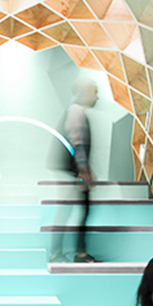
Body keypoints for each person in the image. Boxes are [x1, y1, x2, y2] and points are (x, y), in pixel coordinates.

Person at [59, 77, 98, 262]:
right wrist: (84, 169)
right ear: (84, 92)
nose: (97, 97)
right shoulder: (75, 112)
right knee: (76, 211)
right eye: (94, 92)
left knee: (73, 211)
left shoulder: (76, 111)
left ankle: (69, 252)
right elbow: (78, 142)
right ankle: (74, 253)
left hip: (74, 171)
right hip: (74, 172)